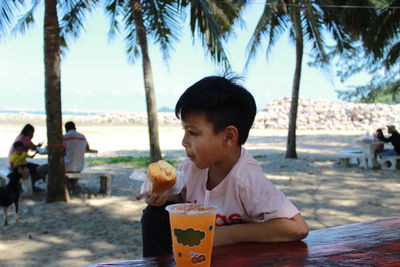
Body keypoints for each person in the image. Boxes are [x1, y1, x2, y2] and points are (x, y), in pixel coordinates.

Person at [139, 76, 309, 257]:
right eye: (185, 132)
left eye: (192, 132)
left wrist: (229, 234)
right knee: (154, 214)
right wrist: (163, 194)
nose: (184, 142)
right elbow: (181, 195)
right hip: (197, 252)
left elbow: (298, 227)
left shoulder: (246, 177)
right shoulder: (192, 166)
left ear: (228, 137)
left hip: (238, 257)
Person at [7, 124, 44, 190]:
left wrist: (36, 147)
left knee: (33, 167)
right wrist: (38, 148)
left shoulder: (20, 136)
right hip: (16, 164)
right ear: (30, 132)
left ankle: (31, 185)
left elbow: (31, 147)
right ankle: (32, 186)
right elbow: (34, 147)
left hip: (11, 163)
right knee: (38, 168)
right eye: (33, 133)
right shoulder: (25, 138)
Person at [63, 121, 90, 189]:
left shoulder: (65, 137)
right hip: (80, 166)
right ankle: (72, 185)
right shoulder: (82, 137)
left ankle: (67, 186)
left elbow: (61, 149)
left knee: (42, 169)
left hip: (67, 166)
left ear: (66, 128)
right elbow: (87, 147)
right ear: (75, 127)